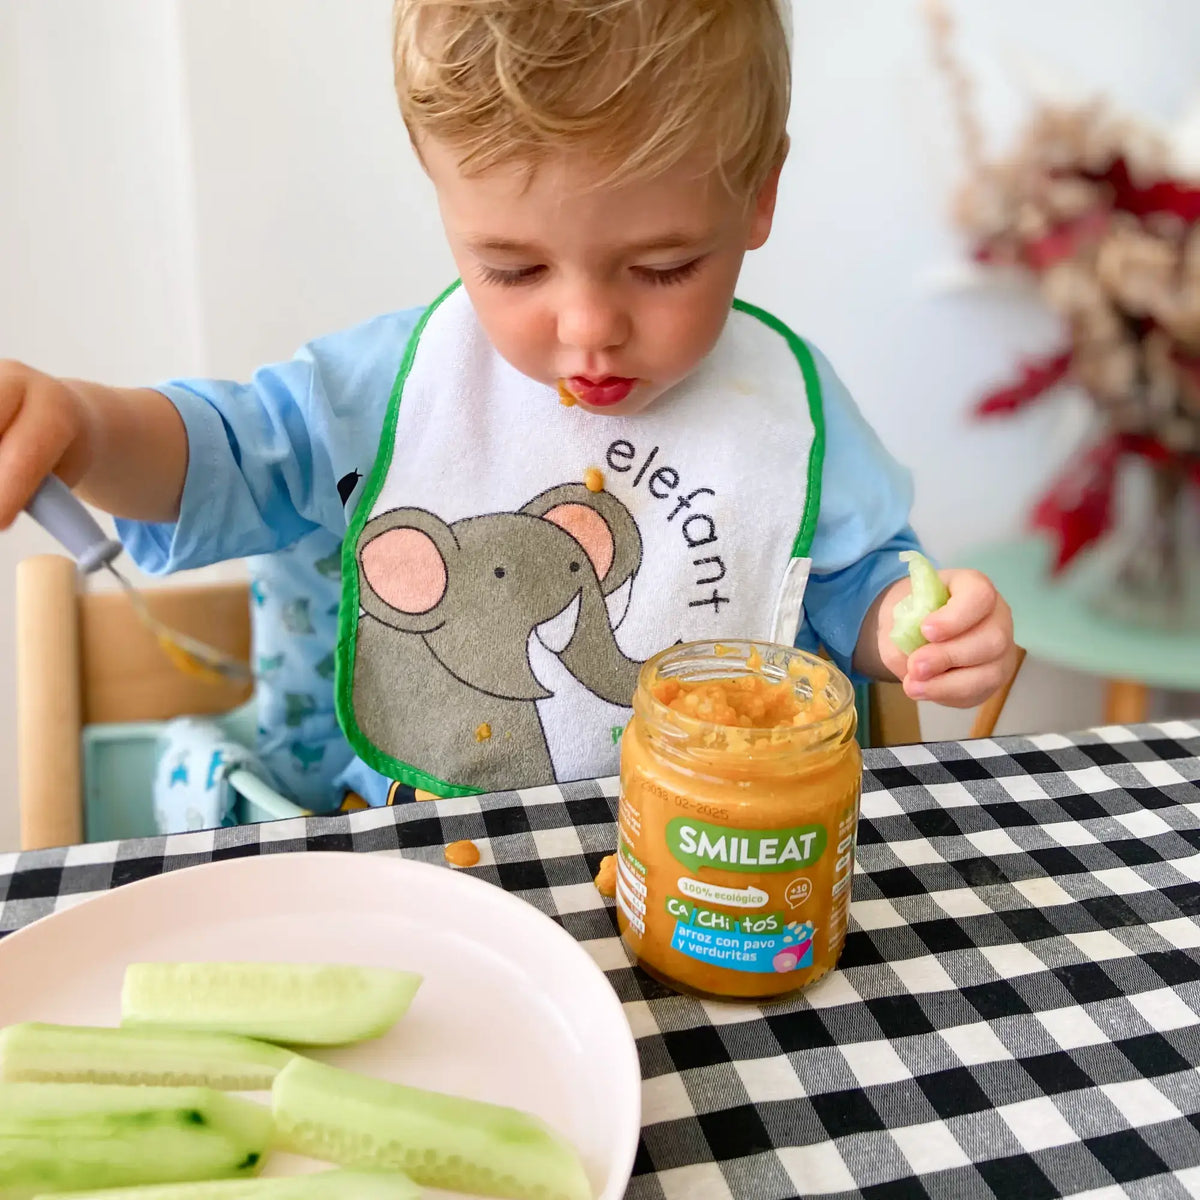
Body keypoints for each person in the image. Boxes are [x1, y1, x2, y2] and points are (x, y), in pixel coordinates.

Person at [0, 0, 1016, 813]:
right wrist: (89, 427)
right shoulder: (390, 390)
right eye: (512, 266)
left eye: (662, 268)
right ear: (443, 196)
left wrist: (916, 629)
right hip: (434, 878)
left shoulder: (783, 410)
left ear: (757, 195)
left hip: (718, 868)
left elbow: (843, 588)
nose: (587, 328)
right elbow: (219, 455)